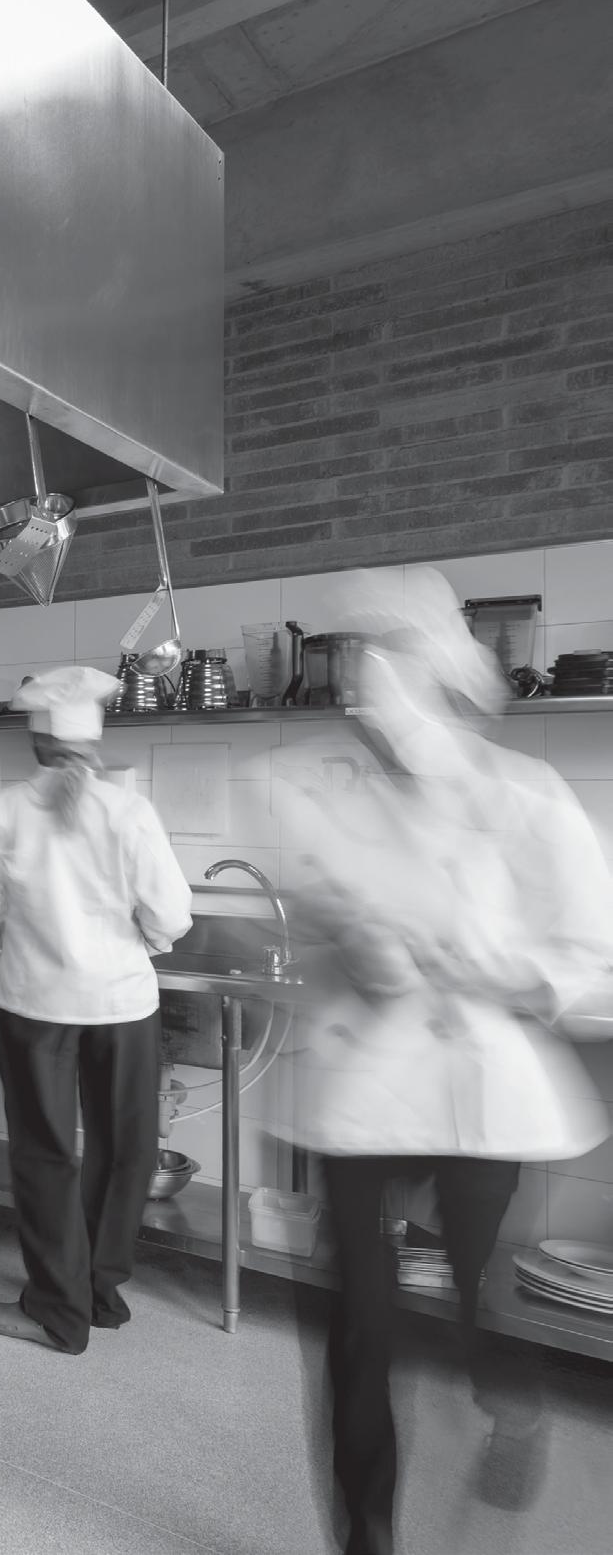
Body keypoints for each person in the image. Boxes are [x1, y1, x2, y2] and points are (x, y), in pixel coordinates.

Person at [279, 568, 613, 1555]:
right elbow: (319, 915)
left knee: (477, 1296)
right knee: (356, 1323)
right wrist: (346, 943)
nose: (366, 699)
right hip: (363, 1089)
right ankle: (365, 1535)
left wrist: (498, 971)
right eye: (356, 673)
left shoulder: (525, 797)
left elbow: (592, 956)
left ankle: (509, 1404)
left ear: (434, 679)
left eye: (380, 670)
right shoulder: (338, 802)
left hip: (483, 1091)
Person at [0, 664, 193, 1354]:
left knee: (45, 1153)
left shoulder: (2, 808)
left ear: (34, 743)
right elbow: (171, 914)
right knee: (125, 1149)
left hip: (35, 1004)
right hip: (123, 1002)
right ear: (94, 743)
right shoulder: (129, 809)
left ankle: (58, 1310)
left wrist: (15, 936)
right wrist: (142, 943)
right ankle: (98, 1294)